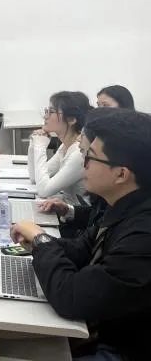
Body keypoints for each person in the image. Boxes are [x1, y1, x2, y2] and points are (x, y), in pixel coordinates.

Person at [11, 109, 151, 360]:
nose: (83, 162)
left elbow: (71, 296)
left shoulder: (143, 235)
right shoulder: (123, 205)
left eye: (89, 156)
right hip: (107, 330)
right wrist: (38, 243)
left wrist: (42, 240)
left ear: (121, 174)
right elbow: (82, 249)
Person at [38, 108, 114, 238]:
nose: (78, 138)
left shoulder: (134, 229)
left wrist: (38, 239)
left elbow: (44, 190)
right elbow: (94, 217)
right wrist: (67, 210)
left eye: (89, 157)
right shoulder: (109, 202)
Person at [28, 91, 91, 202]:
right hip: (65, 208)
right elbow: (34, 178)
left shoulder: (78, 152)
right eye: (46, 111)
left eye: (51, 112)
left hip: (77, 212)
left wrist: (40, 146)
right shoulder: (65, 146)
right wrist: (33, 145)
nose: (45, 116)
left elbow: (44, 191)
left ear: (71, 119)